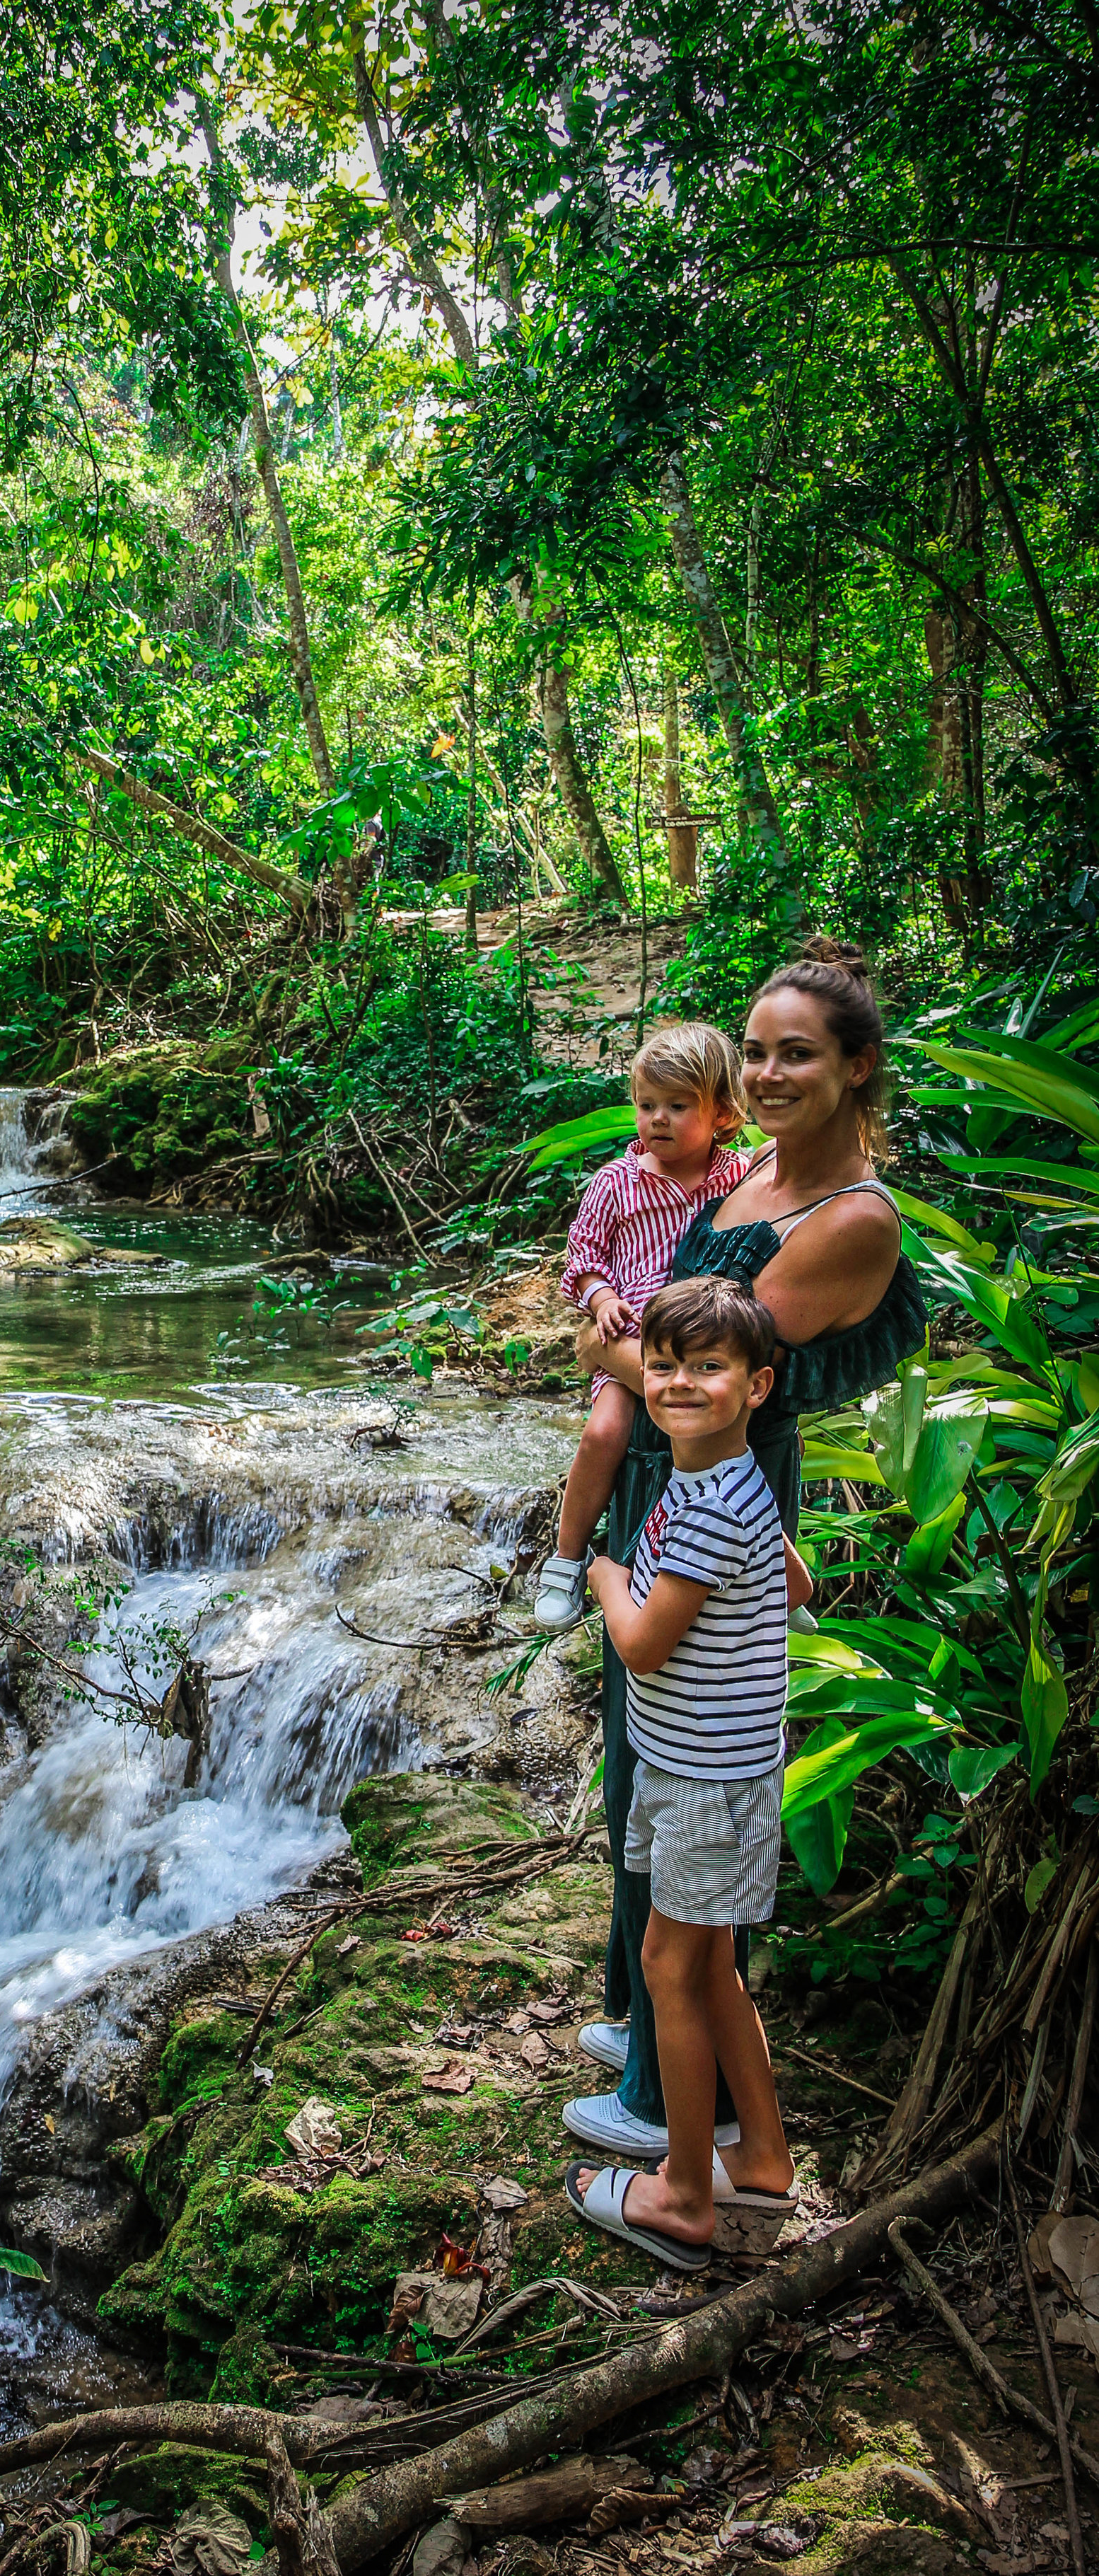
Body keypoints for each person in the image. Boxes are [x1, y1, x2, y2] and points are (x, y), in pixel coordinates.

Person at [562, 939, 927, 2159]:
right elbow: (678, 1350)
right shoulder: (754, 1166)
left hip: (715, 1483)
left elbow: (712, 1380)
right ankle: (641, 2022)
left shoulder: (849, 1220)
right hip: (669, 1477)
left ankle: (684, 2115)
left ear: (858, 1068)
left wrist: (603, 1354)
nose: (769, 1073)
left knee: (689, 1770)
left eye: (799, 1055)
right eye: (757, 1051)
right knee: (639, 1767)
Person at [564, 1276, 797, 2269]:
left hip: (708, 1779)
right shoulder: (726, 1480)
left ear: (757, 1384)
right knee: (709, 1968)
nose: (679, 1383)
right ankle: (769, 2159)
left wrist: (609, 1575)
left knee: (671, 1967)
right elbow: (796, 1578)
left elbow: (648, 1645)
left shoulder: (705, 1505)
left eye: (709, 1366)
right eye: (664, 1364)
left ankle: (687, 2193)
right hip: (705, 1766)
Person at [532, 1023, 752, 1631]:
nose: (658, 1119)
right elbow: (583, 1259)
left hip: (707, 1343)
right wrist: (600, 1299)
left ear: (722, 1114)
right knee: (605, 1434)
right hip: (628, 1343)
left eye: (679, 1106)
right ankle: (567, 1560)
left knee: (741, 1447)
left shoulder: (735, 1177)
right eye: (647, 1105)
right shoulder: (617, 1182)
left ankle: (770, 1581)